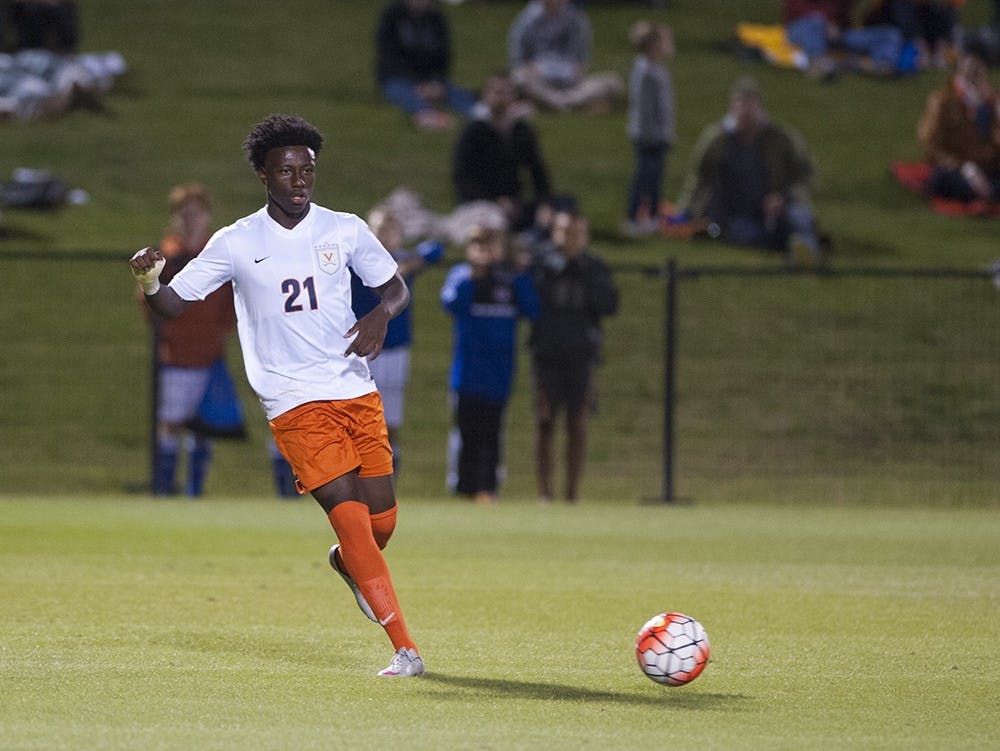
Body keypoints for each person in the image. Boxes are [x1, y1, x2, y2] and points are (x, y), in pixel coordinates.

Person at [128, 114, 424, 678]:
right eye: (286, 170)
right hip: (292, 401)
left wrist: (381, 315)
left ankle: (350, 564)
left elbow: (395, 288)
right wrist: (149, 279)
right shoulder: (237, 242)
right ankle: (404, 648)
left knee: (381, 524)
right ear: (263, 175)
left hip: (354, 389)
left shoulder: (345, 229)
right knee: (351, 518)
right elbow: (170, 305)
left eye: (306, 169)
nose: (298, 180)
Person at [138, 183, 239, 498]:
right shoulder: (166, 257)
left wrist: (221, 327)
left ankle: (195, 489)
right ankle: (164, 486)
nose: (190, 219)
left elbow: (232, 302)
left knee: (203, 427)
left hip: (209, 354)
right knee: (169, 423)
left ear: (206, 216)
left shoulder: (216, 256)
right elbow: (148, 300)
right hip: (175, 357)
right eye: (184, 213)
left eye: (196, 213)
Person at [440, 225, 539, 504]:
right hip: (467, 373)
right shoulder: (461, 275)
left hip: (499, 373)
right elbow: (450, 303)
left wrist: (521, 275)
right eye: (479, 246)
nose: (485, 252)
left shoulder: (510, 280)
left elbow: (532, 309)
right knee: (467, 432)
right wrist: (474, 276)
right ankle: (463, 488)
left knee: (493, 433)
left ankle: (488, 489)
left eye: (491, 245)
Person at [675, 77, 822, 266]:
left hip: (779, 207)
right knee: (743, 234)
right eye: (741, 107)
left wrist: (783, 198)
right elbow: (699, 178)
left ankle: (807, 253)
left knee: (800, 218)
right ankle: (788, 247)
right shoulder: (716, 141)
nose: (745, 115)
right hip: (736, 213)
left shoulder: (781, 138)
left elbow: (805, 176)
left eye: (750, 108)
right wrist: (686, 212)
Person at [528, 208, 618, 503]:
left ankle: (572, 494)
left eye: (576, 233)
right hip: (546, 355)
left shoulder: (593, 268)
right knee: (545, 421)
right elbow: (529, 300)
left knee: (578, 424)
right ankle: (545, 493)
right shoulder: (541, 265)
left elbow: (609, 304)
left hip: (581, 356)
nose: (570, 239)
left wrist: (582, 274)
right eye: (564, 232)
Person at [350, 208, 443, 470]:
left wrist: (413, 261)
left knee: (391, 419)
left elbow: (435, 250)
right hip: (363, 348)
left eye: (391, 229)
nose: (385, 235)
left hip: (394, 347)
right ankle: (360, 471)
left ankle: (388, 471)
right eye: (380, 228)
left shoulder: (402, 260)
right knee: (360, 417)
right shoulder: (358, 260)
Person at [452, 71, 552, 231]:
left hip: (513, 202)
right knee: (493, 220)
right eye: (496, 92)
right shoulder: (474, 130)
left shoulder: (520, 130)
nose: (501, 98)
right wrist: (496, 201)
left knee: (562, 207)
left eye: (506, 92)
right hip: (481, 203)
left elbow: (537, 170)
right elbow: (462, 177)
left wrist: (544, 204)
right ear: (486, 95)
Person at [375, 0, 477, 131]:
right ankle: (428, 114)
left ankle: (479, 114)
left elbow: (443, 57)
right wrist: (417, 84)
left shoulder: (436, 18)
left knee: (457, 94)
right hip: (397, 77)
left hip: (430, 79)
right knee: (402, 92)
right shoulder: (392, 15)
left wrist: (437, 83)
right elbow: (388, 55)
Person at [509, 0, 624, 113]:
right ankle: (570, 104)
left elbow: (581, 59)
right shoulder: (527, 19)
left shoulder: (576, 19)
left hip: (570, 83)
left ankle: (556, 104)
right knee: (518, 78)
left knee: (613, 83)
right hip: (538, 82)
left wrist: (576, 72)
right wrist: (529, 69)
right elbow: (518, 60)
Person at [917, 47, 1000, 203]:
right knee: (952, 183)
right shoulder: (942, 101)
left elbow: (995, 149)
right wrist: (965, 168)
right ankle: (984, 192)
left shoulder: (992, 104)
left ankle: (986, 191)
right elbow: (931, 146)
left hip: (987, 167)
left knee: (986, 186)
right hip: (955, 168)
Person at [623, 20, 676, 237]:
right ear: (653, 45)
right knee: (644, 177)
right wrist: (653, 135)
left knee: (655, 179)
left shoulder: (657, 70)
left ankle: (653, 217)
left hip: (659, 135)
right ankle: (633, 218)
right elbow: (645, 110)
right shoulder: (645, 72)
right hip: (648, 137)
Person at [783, 0, 904, 78]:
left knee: (890, 34)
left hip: (839, 33)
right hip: (803, 25)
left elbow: (849, 17)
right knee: (815, 24)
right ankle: (817, 62)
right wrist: (826, 22)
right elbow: (795, 8)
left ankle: (879, 65)